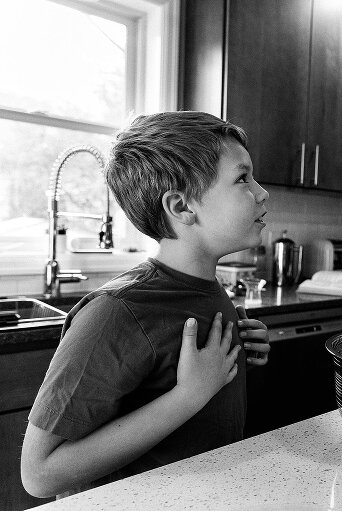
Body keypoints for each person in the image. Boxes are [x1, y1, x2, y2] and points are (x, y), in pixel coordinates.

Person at [21, 111, 271, 497]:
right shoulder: (115, 312)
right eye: (242, 178)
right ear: (182, 207)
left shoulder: (209, 289)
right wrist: (188, 396)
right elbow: (40, 475)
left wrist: (233, 356)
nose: (261, 192)